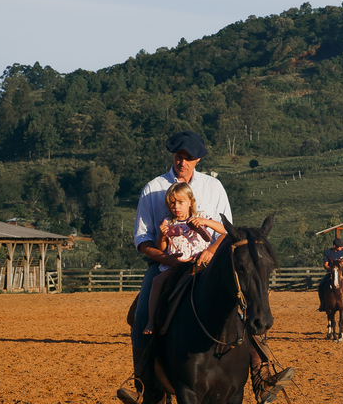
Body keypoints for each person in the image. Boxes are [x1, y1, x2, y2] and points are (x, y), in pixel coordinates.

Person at [118, 130, 294, 404]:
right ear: (173, 156)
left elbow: (228, 232)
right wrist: (166, 259)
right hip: (168, 263)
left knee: (245, 299)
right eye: (179, 157)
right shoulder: (152, 188)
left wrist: (211, 250)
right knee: (142, 311)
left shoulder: (214, 187)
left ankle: (261, 372)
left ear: (198, 159)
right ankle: (142, 380)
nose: (183, 162)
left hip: (210, 263)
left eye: (189, 158)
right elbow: (141, 238)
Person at [142, 181, 224, 335]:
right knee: (157, 281)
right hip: (177, 265)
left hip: (199, 263)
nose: (176, 207)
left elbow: (223, 230)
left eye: (180, 202)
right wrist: (162, 235)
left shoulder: (201, 216)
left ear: (190, 202)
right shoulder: (168, 222)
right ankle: (151, 321)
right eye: (172, 203)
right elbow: (162, 248)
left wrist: (204, 223)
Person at [320, 237, 343, 313]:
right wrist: (331, 269)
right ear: (334, 246)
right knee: (321, 285)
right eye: (340, 246)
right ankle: (322, 304)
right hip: (331, 272)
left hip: (342, 272)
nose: (341, 247)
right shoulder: (328, 252)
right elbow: (325, 265)